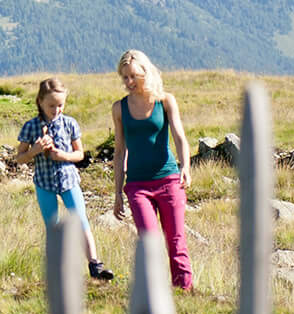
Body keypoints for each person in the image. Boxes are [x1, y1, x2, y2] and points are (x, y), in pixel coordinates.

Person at [10, 77, 114, 281]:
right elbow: (19, 158)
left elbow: (80, 154)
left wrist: (63, 156)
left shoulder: (69, 124)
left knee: (81, 220)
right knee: (52, 224)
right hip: (44, 183)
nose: (56, 110)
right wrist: (35, 151)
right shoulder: (31, 127)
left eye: (60, 105)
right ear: (40, 101)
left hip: (69, 180)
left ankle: (95, 265)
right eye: (51, 105)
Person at [109, 48, 194, 291]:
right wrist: (117, 193)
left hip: (169, 181)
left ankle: (184, 293)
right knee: (149, 242)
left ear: (146, 72)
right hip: (137, 186)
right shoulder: (119, 108)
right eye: (124, 77)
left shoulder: (165, 101)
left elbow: (179, 136)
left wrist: (185, 167)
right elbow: (119, 151)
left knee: (176, 241)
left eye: (134, 76)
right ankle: (155, 294)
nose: (129, 82)